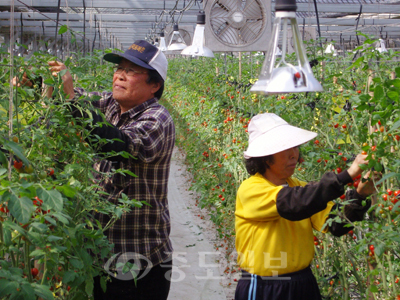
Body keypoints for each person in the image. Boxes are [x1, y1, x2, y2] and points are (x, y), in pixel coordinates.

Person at [47, 40, 175, 299]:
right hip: (97, 252)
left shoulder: (159, 119)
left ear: (154, 85)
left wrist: (71, 98)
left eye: (131, 71)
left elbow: (117, 145)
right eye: (119, 68)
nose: (119, 75)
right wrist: (41, 82)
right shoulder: (110, 104)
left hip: (139, 260)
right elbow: (78, 98)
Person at [234, 113, 378, 300]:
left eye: (294, 146)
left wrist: (360, 194)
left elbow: (336, 224)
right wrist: (348, 174)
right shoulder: (251, 190)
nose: (294, 154)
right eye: (285, 148)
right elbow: (293, 204)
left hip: (303, 282)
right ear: (265, 157)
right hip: (264, 286)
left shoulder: (299, 188)